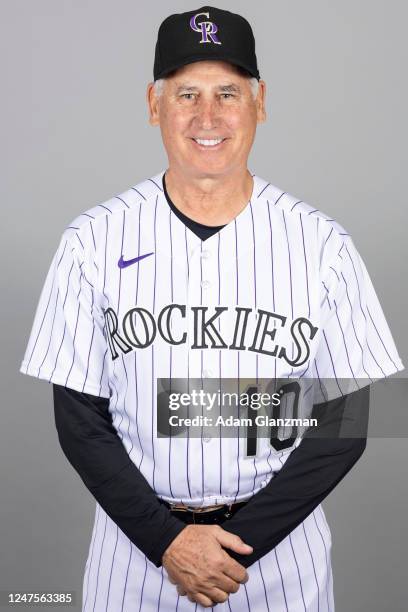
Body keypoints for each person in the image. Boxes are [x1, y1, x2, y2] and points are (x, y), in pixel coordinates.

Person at [19, 6, 404, 611]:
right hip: (136, 556)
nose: (209, 116)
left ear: (260, 102)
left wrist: (232, 548)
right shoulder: (92, 239)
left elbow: (345, 423)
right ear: (153, 105)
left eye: (228, 92)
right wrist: (168, 543)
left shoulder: (322, 244)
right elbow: (79, 420)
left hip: (279, 561)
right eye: (186, 94)